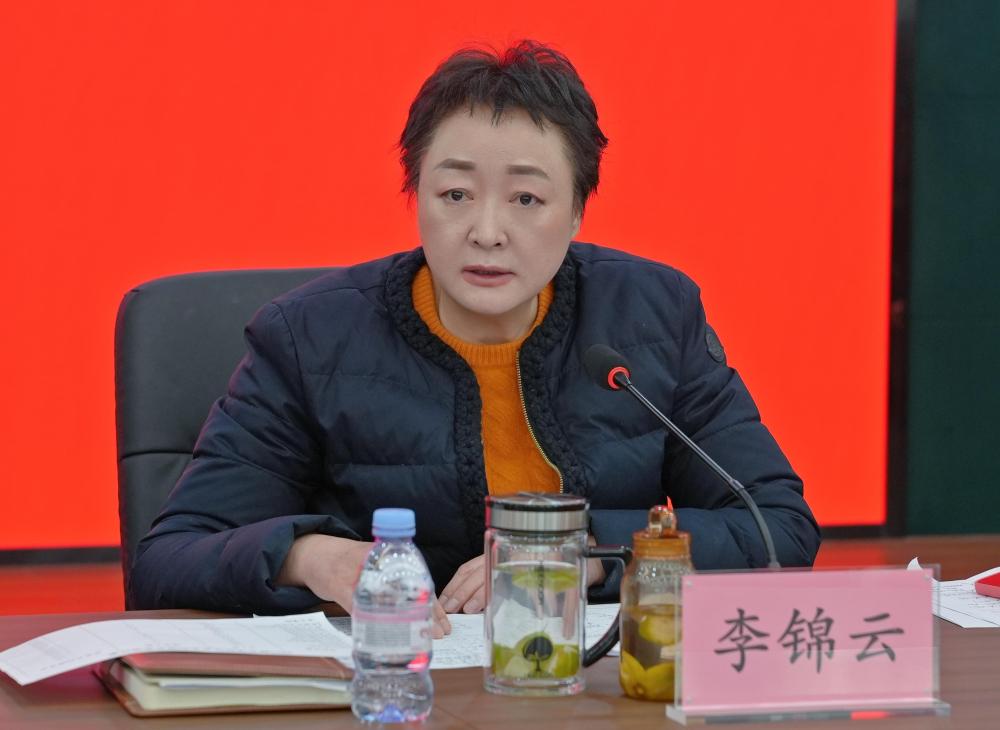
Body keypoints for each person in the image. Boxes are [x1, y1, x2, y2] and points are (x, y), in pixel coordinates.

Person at [131, 41, 821, 635]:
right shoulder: (310, 340)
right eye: (455, 194)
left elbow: (778, 527)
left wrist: (584, 555)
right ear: (416, 195)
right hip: (397, 685)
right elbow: (168, 559)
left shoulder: (653, 315)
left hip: (598, 690)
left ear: (577, 211)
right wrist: (307, 557)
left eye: (527, 199)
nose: (487, 231)